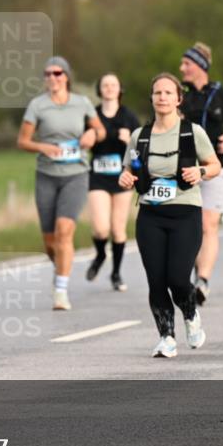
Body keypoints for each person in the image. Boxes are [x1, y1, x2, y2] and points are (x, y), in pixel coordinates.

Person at [118, 73, 222, 358]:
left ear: (178, 99)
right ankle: (166, 336)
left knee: (177, 278)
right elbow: (128, 169)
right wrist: (126, 178)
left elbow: (215, 165)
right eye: (157, 93)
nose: (162, 97)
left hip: (185, 213)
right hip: (150, 215)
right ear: (152, 98)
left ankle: (190, 316)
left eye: (167, 93)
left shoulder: (192, 132)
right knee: (156, 280)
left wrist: (200, 172)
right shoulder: (141, 136)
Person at [18, 56, 106, 311]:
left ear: (66, 76)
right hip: (46, 175)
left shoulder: (82, 103)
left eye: (57, 73)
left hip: (76, 175)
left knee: (64, 231)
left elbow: (99, 131)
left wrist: (92, 133)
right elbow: (22, 141)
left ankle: (61, 291)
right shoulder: (37, 105)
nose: (52, 78)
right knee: (50, 241)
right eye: (47, 74)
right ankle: (60, 273)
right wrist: (41, 146)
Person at [179, 42, 223, 305]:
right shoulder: (179, 96)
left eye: (186, 64)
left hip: (215, 168)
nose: (182, 68)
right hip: (183, 169)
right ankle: (192, 271)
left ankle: (202, 281)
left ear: (200, 67)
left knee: (208, 225)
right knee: (189, 228)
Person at [85, 73, 140, 291]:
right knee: (100, 229)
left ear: (119, 89)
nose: (109, 88)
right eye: (105, 84)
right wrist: (88, 138)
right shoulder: (92, 115)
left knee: (118, 230)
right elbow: (84, 142)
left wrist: (130, 142)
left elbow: (140, 146)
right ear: (100, 89)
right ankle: (100, 255)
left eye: (113, 84)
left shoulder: (128, 116)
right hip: (98, 175)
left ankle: (116, 273)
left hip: (122, 177)